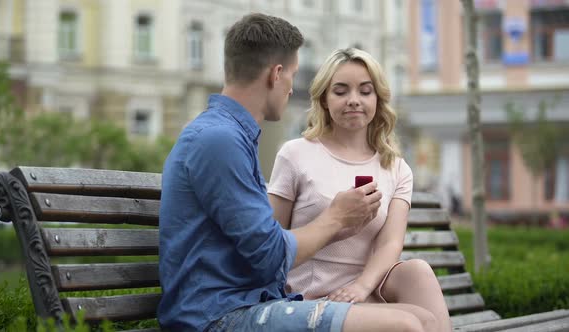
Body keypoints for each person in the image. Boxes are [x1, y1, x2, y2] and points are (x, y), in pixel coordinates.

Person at [159, 13, 436, 332]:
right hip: (216, 316)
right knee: (405, 326)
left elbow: (262, 246)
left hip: (246, 303)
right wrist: (336, 219)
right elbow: (269, 256)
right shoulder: (218, 140)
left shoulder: (231, 135)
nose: (292, 88)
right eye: (292, 75)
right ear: (276, 75)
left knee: (424, 319)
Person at [268, 48, 452, 332]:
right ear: (324, 100)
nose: (354, 100)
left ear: (377, 99)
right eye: (341, 91)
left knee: (418, 271)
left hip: (365, 292)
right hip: (309, 299)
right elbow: (271, 239)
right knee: (423, 323)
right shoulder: (295, 155)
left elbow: (390, 243)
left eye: (365, 91)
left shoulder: (396, 167)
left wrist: (362, 286)